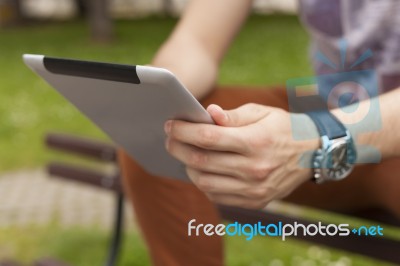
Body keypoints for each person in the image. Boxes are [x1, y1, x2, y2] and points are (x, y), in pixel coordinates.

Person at [119, 0, 400, 265]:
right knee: (162, 132)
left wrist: (318, 138)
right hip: (327, 105)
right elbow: (195, 42)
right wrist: (154, 97)